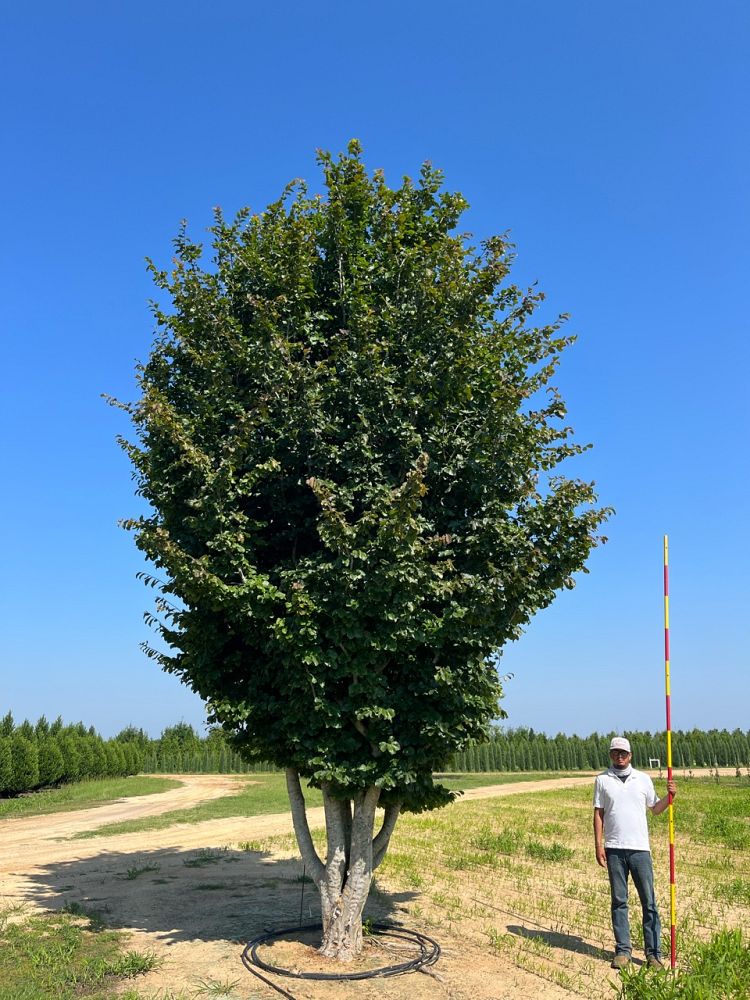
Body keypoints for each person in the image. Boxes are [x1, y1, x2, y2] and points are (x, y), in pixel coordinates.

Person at [593, 736, 676, 970]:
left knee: (648, 901)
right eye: (615, 752)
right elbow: (598, 815)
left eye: (623, 753)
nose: (619, 756)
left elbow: (656, 809)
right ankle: (623, 951)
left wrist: (670, 798)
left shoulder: (643, 779)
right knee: (619, 901)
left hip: (640, 850)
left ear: (630, 755)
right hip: (614, 850)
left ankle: (653, 954)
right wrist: (599, 845)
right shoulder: (602, 780)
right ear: (611, 755)